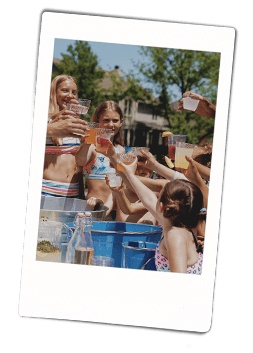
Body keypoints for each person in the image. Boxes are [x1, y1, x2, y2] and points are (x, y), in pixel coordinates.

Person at [119, 157, 204, 274]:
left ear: (161, 206)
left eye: (158, 197)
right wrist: (129, 174)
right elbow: (148, 199)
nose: (154, 200)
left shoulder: (174, 236)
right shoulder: (175, 225)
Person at [43, 75, 88, 198]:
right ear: (54, 92)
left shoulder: (74, 123)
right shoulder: (44, 118)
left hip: (72, 194)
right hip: (47, 192)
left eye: (74, 92)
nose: (70, 95)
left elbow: (77, 164)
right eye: (65, 90)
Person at [75, 101, 125, 208]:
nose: (111, 124)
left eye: (115, 120)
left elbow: (123, 181)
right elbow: (80, 161)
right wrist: (86, 144)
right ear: (98, 121)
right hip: (94, 209)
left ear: (121, 122)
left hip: (115, 209)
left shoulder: (120, 150)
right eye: (106, 120)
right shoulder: (92, 147)